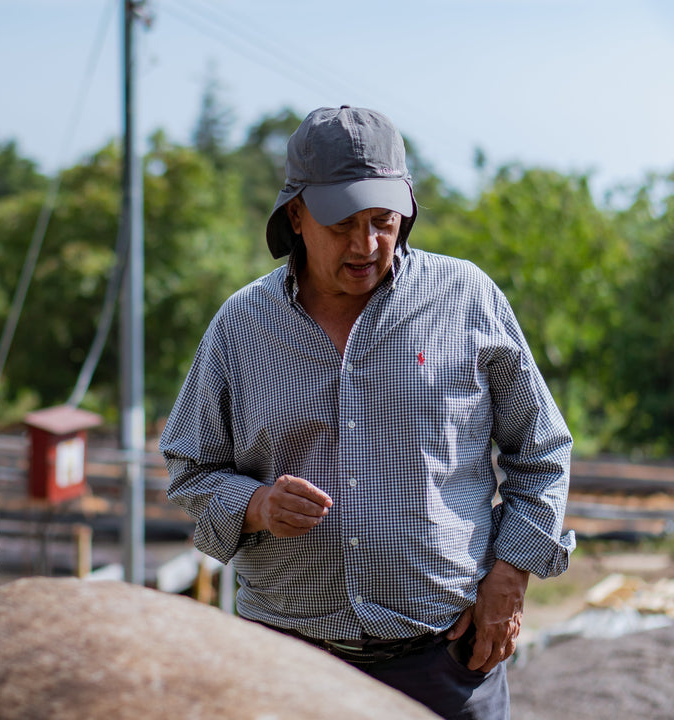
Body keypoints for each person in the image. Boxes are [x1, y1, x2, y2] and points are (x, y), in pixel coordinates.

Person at [160, 106, 574, 720]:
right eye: (342, 224)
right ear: (296, 216)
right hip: (283, 667)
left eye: (383, 221)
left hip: (445, 665)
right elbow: (190, 469)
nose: (366, 245)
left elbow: (541, 452)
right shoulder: (241, 326)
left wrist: (509, 579)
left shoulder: (467, 299)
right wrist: (256, 505)